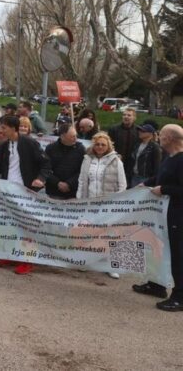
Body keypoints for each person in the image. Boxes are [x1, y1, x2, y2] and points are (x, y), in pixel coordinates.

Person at [0, 115, 51, 274]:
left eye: (4, 128)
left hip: (26, 192)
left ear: (13, 128)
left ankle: (27, 260)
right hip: (9, 191)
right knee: (11, 225)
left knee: (27, 227)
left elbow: (46, 163)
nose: (0, 130)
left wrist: (40, 179)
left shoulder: (29, 143)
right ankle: (12, 254)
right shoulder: (3, 146)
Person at [134, 125, 183, 311]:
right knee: (158, 250)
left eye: (161, 134)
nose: (158, 137)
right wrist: (146, 184)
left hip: (178, 217)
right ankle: (157, 285)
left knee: (178, 255)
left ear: (169, 138)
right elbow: (161, 177)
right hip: (162, 216)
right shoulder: (170, 158)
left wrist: (164, 190)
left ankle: (180, 296)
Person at [76, 132, 126, 279]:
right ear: (93, 145)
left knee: (110, 235)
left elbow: (122, 185)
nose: (100, 147)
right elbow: (82, 181)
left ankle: (110, 265)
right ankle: (87, 261)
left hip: (108, 205)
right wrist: (80, 200)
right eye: (97, 144)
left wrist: (116, 203)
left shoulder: (116, 161)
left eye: (103, 144)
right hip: (90, 202)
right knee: (89, 233)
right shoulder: (87, 160)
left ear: (108, 146)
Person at [44, 124, 85, 200]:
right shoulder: (50, 148)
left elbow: (82, 170)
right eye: (72, 136)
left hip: (73, 192)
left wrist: (69, 184)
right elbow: (45, 169)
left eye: (76, 136)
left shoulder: (80, 149)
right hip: (54, 191)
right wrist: (57, 183)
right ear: (62, 136)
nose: (75, 139)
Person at [107, 107, 139, 184]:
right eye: (124, 115)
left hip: (132, 163)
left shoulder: (138, 130)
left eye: (129, 115)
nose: (126, 117)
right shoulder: (114, 129)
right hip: (116, 160)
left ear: (134, 118)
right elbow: (109, 145)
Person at [130, 123, 162, 188]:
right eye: (139, 130)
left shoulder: (155, 147)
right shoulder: (137, 145)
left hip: (146, 178)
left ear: (150, 133)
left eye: (143, 131)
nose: (140, 132)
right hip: (135, 176)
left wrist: (153, 181)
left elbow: (157, 166)